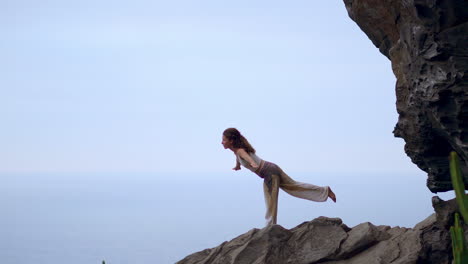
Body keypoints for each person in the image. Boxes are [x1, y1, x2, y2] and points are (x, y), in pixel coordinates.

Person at [221, 127, 336, 226]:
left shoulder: (240, 150)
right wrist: (237, 166)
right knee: (294, 186)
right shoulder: (237, 151)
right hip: (272, 168)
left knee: (271, 200)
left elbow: (246, 156)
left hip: (269, 173)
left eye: (224, 140)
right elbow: (239, 157)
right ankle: (325, 191)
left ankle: (270, 227)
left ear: (231, 141)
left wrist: (252, 163)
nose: (222, 142)